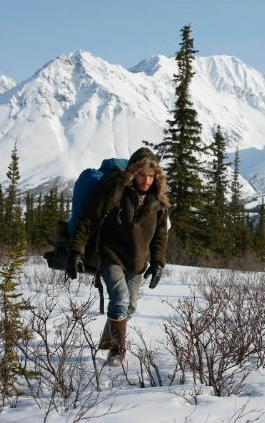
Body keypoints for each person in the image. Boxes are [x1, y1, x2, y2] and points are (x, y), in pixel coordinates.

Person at [66, 147, 169, 366]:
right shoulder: (115, 191)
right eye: (142, 175)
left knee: (129, 307)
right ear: (133, 173)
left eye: (151, 176)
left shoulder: (158, 201)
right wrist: (76, 250)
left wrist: (158, 262)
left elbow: (160, 234)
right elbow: (88, 220)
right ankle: (117, 350)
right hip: (111, 255)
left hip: (137, 261)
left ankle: (108, 338)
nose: (146, 180)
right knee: (120, 299)